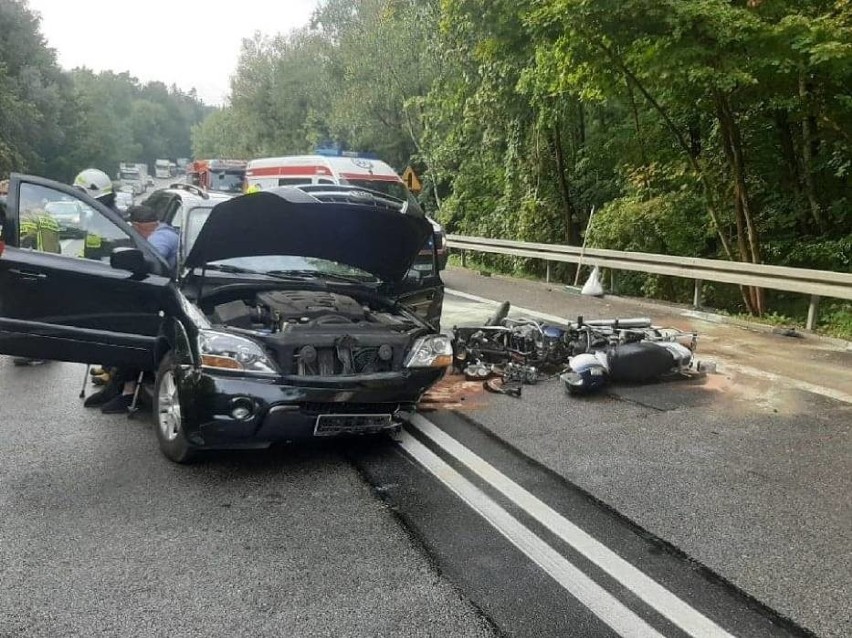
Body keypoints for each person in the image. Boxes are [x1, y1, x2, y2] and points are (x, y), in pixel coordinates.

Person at [94, 204, 178, 414]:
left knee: (129, 330)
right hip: (156, 297)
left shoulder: (161, 237)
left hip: (161, 302)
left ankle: (126, 393)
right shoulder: (165, 232)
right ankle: (116, 385)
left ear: (139, 227)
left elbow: (148, 262)